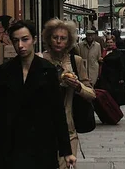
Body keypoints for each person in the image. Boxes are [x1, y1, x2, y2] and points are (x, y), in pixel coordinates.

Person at [0, 19, 75, 169]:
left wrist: (66, 151)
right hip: (9, 145)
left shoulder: (47, 70)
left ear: (34, 40)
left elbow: (57, 112)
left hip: (40, 146)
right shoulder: (4, 71)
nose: (20, 45)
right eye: (16, 40)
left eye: (25, 39)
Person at [42, 19, 95, 169]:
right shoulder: (40, 60)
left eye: (63, 38)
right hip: (43, 128)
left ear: (69, 41)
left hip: (68, 129)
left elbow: (92, 94)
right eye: (55, 37)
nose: (58, 41)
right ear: (48, 39)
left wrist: (78, 87)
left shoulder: (75, 61)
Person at [96, 34, 125, 105]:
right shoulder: (104, 52)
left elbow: (122, 66)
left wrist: (121, 78)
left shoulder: (118, 53)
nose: (109, 44)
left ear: (114, 43)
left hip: (114, 79)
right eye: (108, 42)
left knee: (114, 98)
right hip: (104, 78)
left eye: (111, 42)